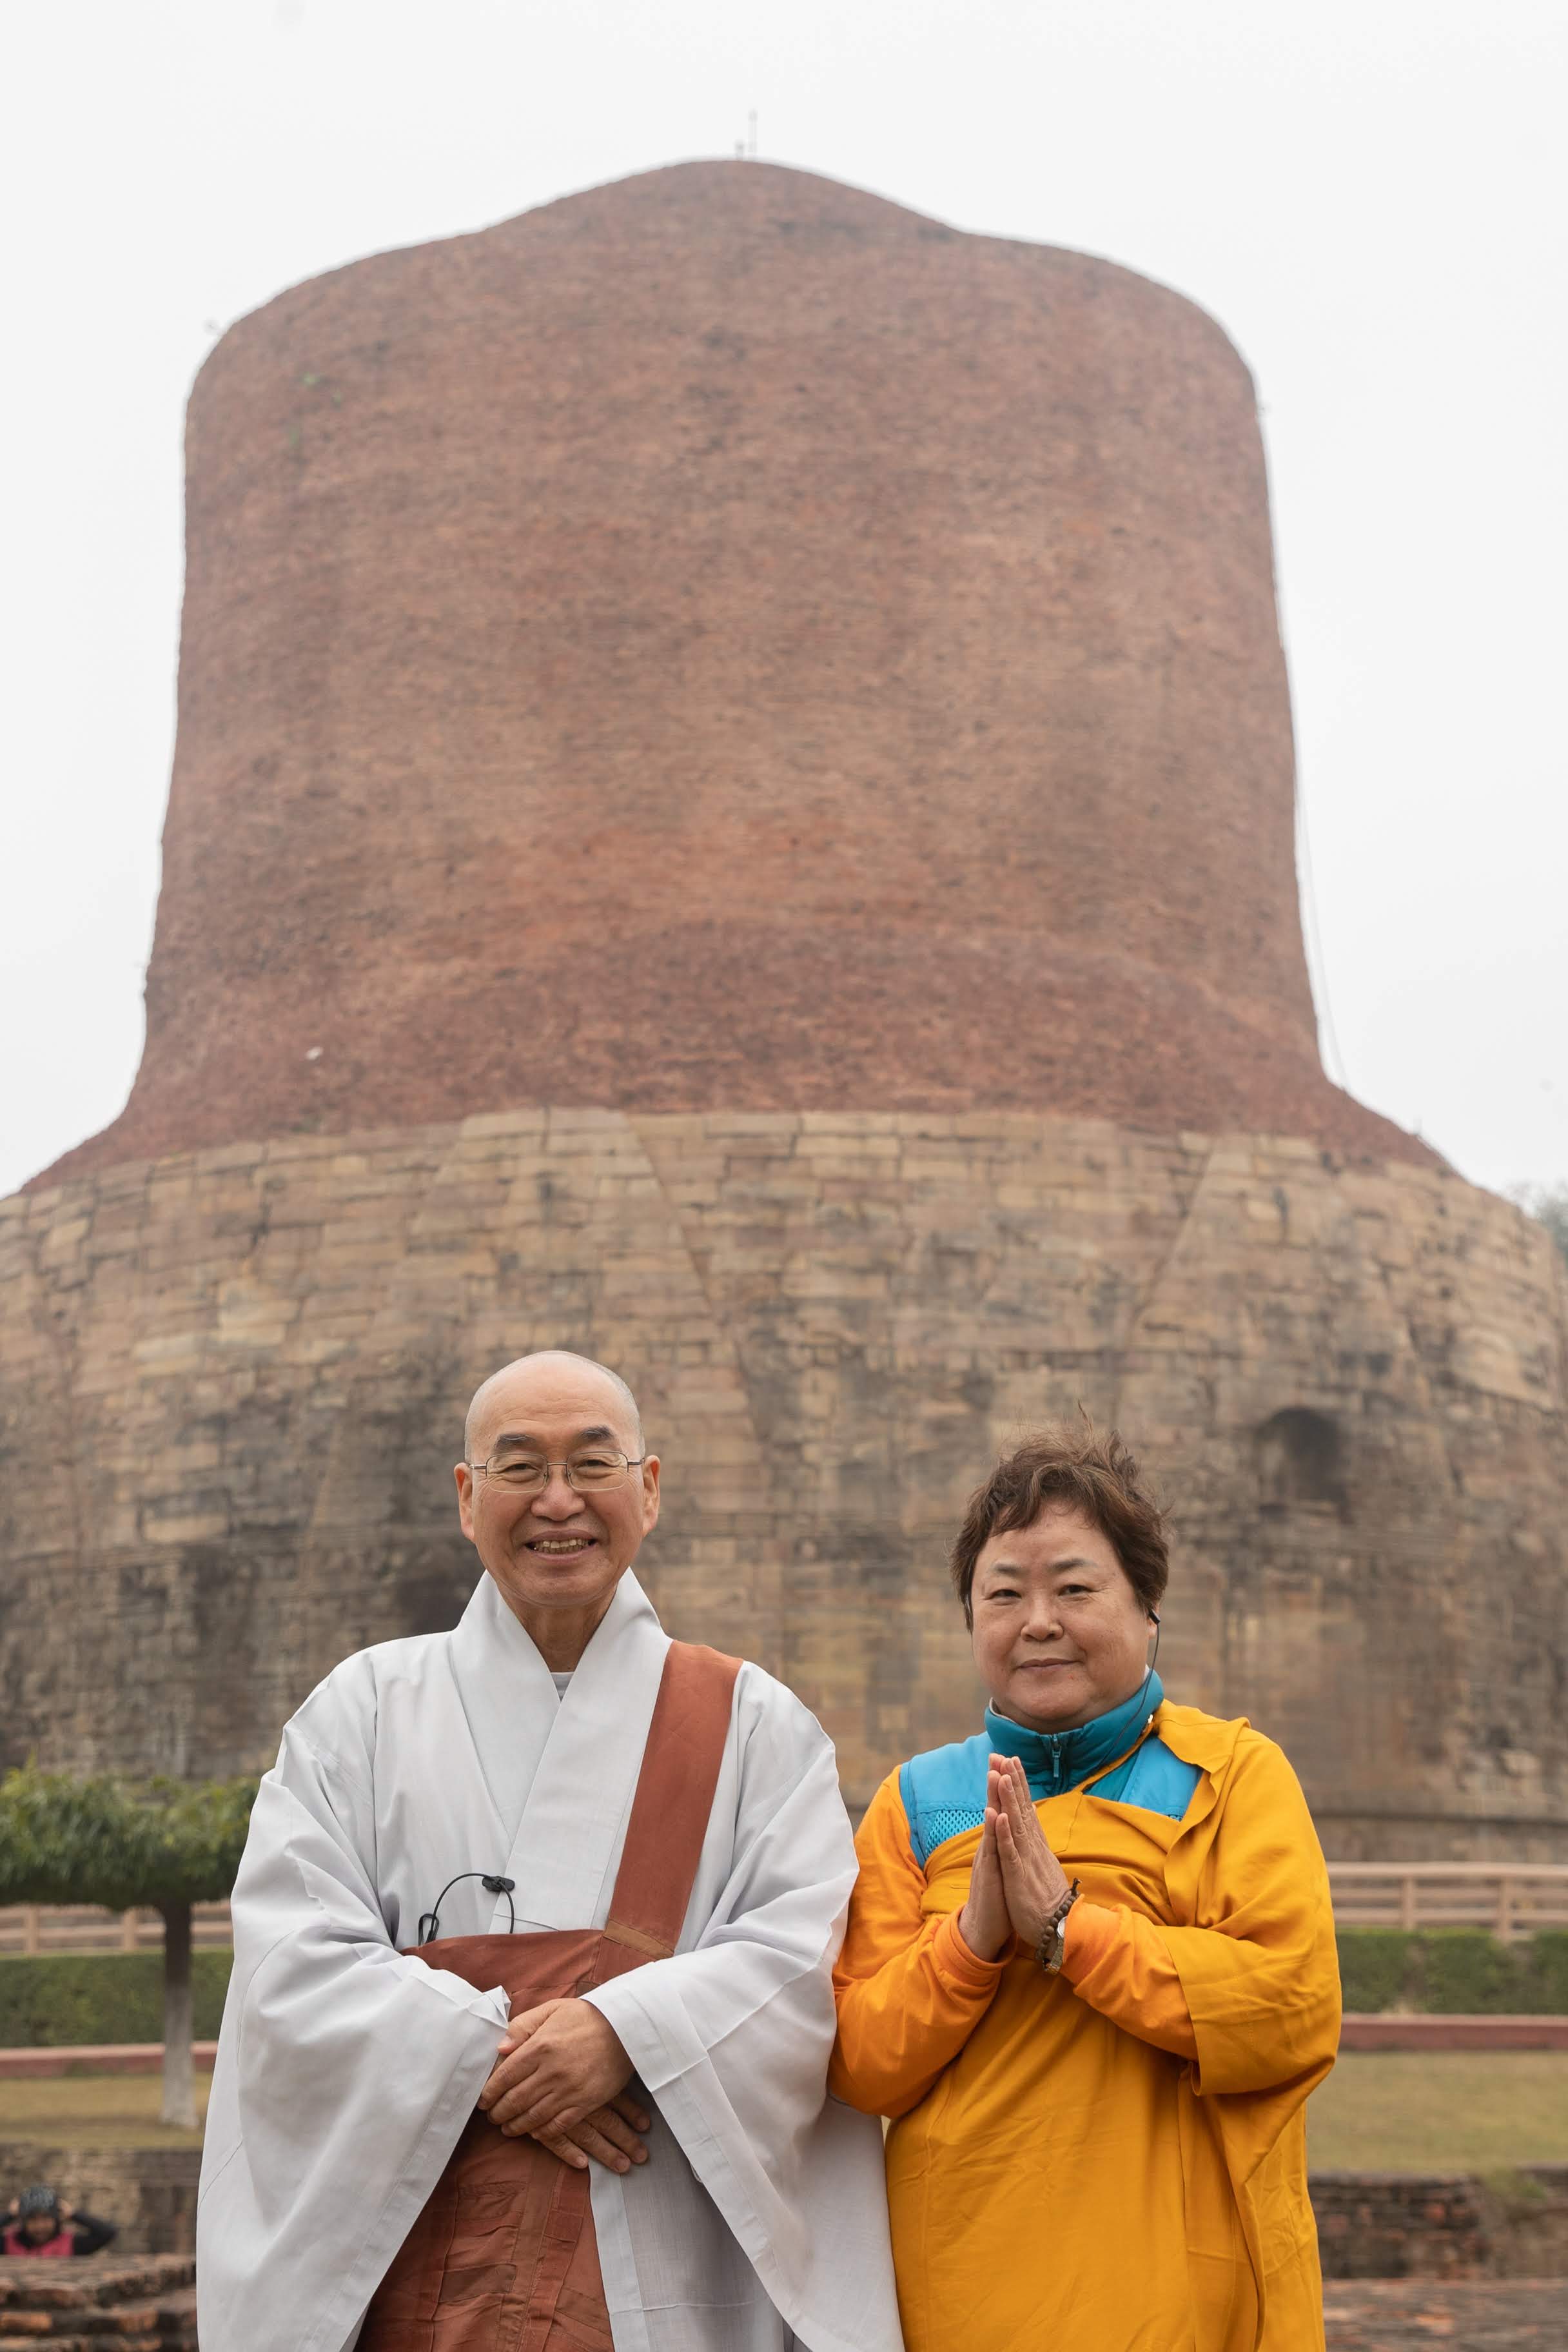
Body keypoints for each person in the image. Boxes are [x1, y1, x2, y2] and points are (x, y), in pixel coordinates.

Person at [197, 1350, 901, 2352]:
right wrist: (501, 2058)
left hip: (659, 2258)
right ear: (466, 1495)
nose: (558, 1501)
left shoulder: (752, 1726)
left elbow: (800, 1965)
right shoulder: (359, 1714)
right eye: (520, 1467)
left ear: (648, 1489)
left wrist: (622, 2035)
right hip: (418, 2263)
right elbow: (291, 1962)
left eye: (594, 1465)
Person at [830, 1426, 1340, 2352]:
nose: (1038, 1622)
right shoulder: (919, 1803)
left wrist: (1072, 1932)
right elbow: (860, 2061)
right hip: (963, 2282)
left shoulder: (1227, 1774)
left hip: (1177, 2289)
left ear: (1148, 1606)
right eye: (1004, 1594)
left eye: (1074, 1588)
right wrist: (973, 1941)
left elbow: (1290, 2007)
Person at [3, 2185, 117, 2257]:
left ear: (57, 2219)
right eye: (33, 2220)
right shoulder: (9, 2243)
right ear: (24, 2221)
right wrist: (9, 2215)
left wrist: (73, 2214)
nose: (40, 2226)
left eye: (46, 2218)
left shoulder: (70, 2244)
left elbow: (107, 2233)